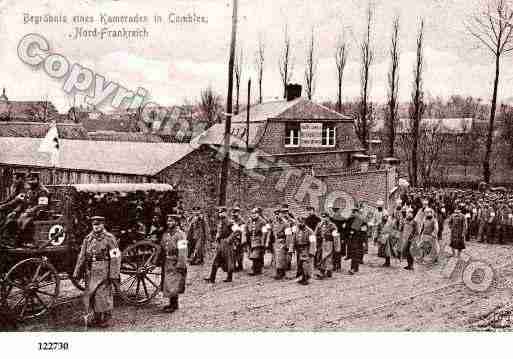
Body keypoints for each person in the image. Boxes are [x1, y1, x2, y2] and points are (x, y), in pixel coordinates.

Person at [73, 216, 120, 328]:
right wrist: (77, 271)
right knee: (91, 295)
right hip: (91, 270)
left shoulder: (109, 238)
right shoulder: (88, 238)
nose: (96, 227)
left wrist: (114, 274)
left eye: (98, 224)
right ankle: (96, 317)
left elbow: (116, 256)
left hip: (104, 268)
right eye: (94, 225)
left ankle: (105, 318)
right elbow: (82, 255)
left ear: (103, 225)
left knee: (102, 295)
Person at [161, 214, 188, 313]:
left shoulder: (181, 235)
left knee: (174, 283)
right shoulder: (166, 234)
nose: (169, 223)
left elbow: (183, 251)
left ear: (176, 222)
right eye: (168, 221)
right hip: (168, 261)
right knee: (169, 283)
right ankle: (172, 303)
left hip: (176, 261)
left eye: (171, 221)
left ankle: (174, 305)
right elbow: (162, 247)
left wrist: (181, 264)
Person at [204, 207, 235, 283]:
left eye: (222, 212)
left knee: (229, 261)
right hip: (220, 244)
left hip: (227, 244)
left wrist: (229, 239)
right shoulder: (220, 222)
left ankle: (229, 277)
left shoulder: (230, 222)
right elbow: (219, 232)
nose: (221, 214)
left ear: (226, 213)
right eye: (220, 213)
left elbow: (236, 231)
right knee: (216, 261)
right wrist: (217, 238)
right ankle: (212, 278)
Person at [290, 217, 316, 285]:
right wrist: (291, 249)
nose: (300, 224)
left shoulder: (310, 231)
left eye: (301, 222)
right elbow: (293, 240)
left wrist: (311, 251)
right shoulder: (296, 231)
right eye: (299, 222)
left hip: (306, 249)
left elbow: (313, 242)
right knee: (300, 264)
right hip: (299, 249)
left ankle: (306, 278)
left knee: (305, 264)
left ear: (304, 223)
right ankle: (301, 277)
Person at [315, 212, 339, 280]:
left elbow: (335, 235)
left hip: (329, 242)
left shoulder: (332, 225)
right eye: (323, 217)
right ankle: (328, 270)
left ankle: (323, 271)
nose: (324, 218)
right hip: (321, 242)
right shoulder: (319, 224)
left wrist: (336, 245)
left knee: (327, 256)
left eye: (325, 217)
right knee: (320, 256)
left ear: (328, 217)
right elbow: (315, 233)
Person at [246, 207, 267, 276]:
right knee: (256, 256)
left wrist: (263, 242)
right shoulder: (249, 221)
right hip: (251, 239)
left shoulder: (262, 221)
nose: (254, 215)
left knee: (255, 255)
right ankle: (258, 269)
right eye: (252, 213)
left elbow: (264, 232)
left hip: (259, 239)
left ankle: (255, 270)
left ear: (258, 214)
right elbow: (246, 228)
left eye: (255, 213)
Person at [272, 207, 291, 280]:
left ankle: (281, 273)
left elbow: (288, 235)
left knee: (281, 258)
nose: (277, 215)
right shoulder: (275, 222)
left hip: (282, 241)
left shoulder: (286, 224)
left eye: (279, 214)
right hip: (276, 242)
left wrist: (287, 244)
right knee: (277, 258)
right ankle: (278, 272)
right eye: (277, 214)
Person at [230, 206, 245, 272]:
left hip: (239, 238)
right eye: (233, 212)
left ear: (238, 212)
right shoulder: (231, 220)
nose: (234, 214)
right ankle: (234, 266)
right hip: (233, 238)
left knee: (239, 253)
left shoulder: (241, 220)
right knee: (233, 253)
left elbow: (242, 230)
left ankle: (240, 265)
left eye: (236, 212)